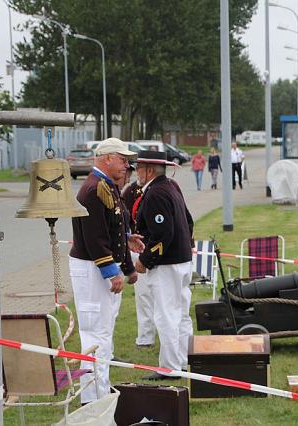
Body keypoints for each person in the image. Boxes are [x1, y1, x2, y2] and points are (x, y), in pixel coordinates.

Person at [68, 138, 143, 404]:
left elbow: (114, 225)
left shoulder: (106, 187)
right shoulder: (94, 189)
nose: (126, 165)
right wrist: (112, 271)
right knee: (94, 333)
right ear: (107, 158)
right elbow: (95, 236)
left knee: (104, 331)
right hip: (91, 268)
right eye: (122, 159)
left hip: (96, 266)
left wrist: (128, 239)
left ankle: (101, 390)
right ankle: (92, 397)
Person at [133, 150, 194, 380]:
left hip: (168, 263)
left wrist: (144, 261)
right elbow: (188, 221)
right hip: (181, 259)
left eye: (139, 168)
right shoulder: (171, 187)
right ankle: (185, 359)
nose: (136, 172)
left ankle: (170, 367)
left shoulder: (156, 193)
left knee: (166, 315)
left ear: (149, 170)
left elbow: (162, 234)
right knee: (181, 314)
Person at [121, 174, 156, 348]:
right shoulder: (130, 191)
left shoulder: (164, 189)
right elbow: (123, 220)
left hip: (159, 250)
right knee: (143, 296)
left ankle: (168, 337)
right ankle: (145, 336)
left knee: (163, 298)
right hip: (139, 249)